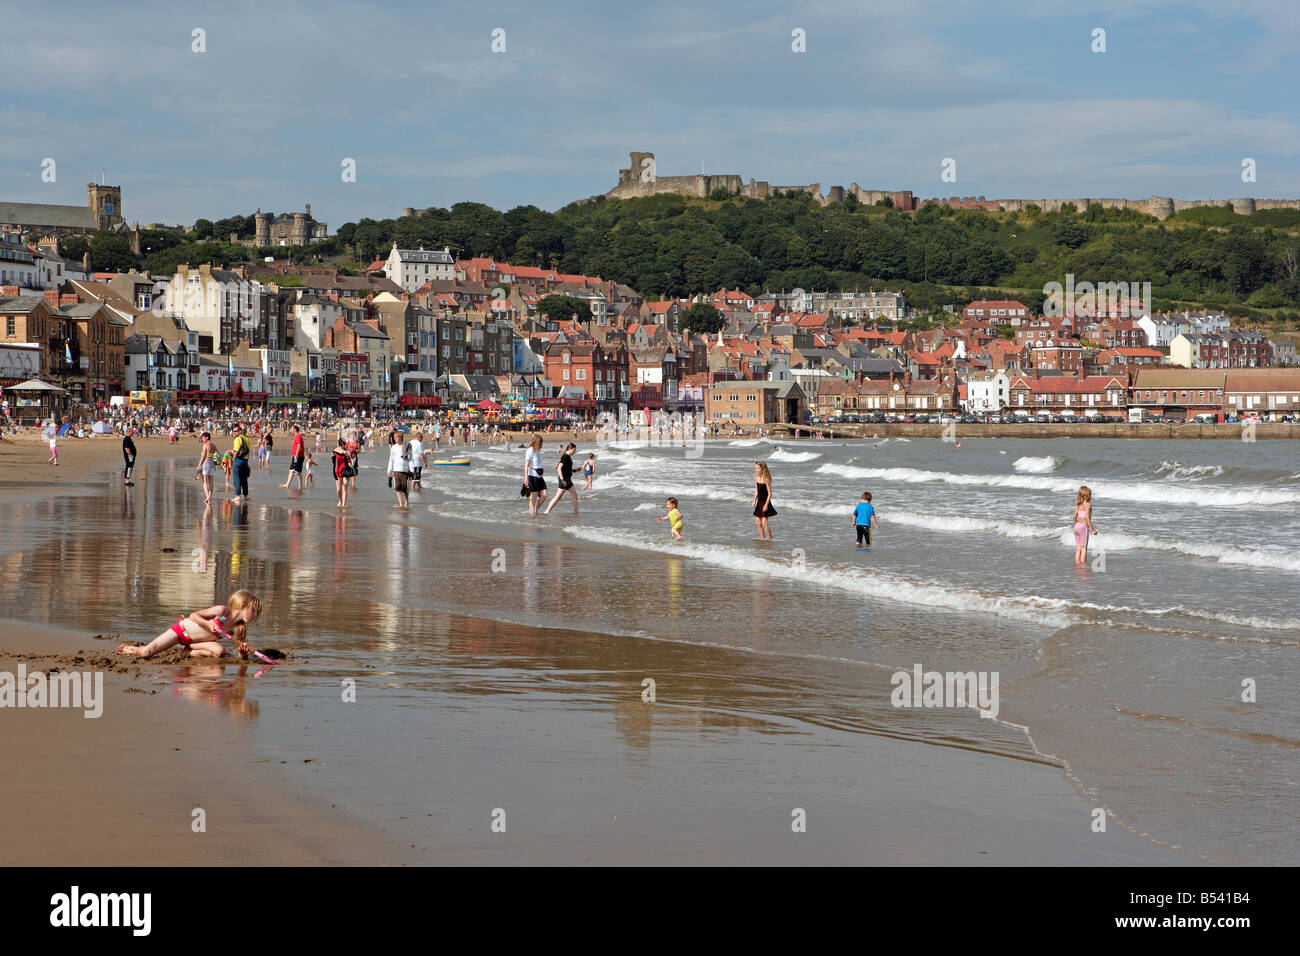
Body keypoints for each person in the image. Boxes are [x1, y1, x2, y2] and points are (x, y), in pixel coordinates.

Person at [117, 590, 263, 660]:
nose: (255, 615)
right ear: (242, 605)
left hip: (195, 642)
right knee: (145, 654)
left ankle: (188, 652)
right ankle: (132, 649)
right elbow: (194, 615)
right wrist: (208, 624)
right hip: (182, 630)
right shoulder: (222, 611)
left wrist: (243, 652)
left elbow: (242, 658)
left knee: (220, 651)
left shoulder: (239, 628)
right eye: (253, 611)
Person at [544, 442, 579, 515]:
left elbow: (567, 469)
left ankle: (547, 511)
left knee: (559, 496)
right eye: (574, 450)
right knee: (573, 495)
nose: (574, 452)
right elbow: (559, 468)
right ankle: (576, 513)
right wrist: (562, 480)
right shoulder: (565, 457)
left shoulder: (566, 456)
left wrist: (575, 470)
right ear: (570, 449)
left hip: (566, 479)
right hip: (565, 480)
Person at [1072, 485, 1099, 563]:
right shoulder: (1088, 505)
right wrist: (1092, 529)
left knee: (1078, 548)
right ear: (1087, 495)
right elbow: (1087, 517)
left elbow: (1074, 516)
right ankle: (1082, 565)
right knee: (1084, 548)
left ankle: (1077, 563)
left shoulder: (1078, 504)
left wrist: (1075, 524)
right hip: (1083, 527)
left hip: (1076, 526)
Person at [387, 431, 413, 508]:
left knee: (405, 488)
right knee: (397, 487)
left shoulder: (407, 446)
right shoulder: (394, 447)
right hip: (396, 470)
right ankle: (401, 504)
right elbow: (391, 459)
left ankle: (407, 502)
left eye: (396, 437)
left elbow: (411, 459)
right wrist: (389, 470)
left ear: (401, 438)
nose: (395, 439)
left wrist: (411, 470)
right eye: (394, 437)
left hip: (405, 470)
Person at [752, 461, 776, 539]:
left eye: (758, 468)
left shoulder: (766, 479)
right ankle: (763, 538)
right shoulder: (756, 478)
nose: (756, 470)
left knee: (764, 523)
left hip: (766, 502)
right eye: (755, 468)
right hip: (759, 502)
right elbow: (756, 491)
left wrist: (766, 505)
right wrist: (754, 500)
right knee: (757, 523)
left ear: (763, 469)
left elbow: (769, 493)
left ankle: (770, 539)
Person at [524, 434, 548, 515]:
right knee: (533, 498)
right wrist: (526, 478)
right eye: (540, 443)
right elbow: (526, 465)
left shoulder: (537, 451)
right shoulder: (530, 450)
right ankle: (532, 514)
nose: (541, 445)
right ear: (536, 442)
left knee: (544, 495)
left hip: (539, 476)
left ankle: (536, 509)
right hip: (532, 476)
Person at [230, 424, 252, 505]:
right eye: (233, 431)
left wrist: (232, 461)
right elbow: (246, 451)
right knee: (244, 479)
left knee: (237, 478)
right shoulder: (246, 439)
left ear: (240, 431)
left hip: (238, 461)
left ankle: (237, 496)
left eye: (235, 431)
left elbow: (236, 452)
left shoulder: (237, 439)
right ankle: (245, 495)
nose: (234, 433)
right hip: (245, 461)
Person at [196, 431, 218, 504]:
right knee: (211, 481)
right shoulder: (213, 445)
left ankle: (207, 497)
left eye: (203, 437)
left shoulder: (205, 445)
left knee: (205, 481)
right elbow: (218, 454)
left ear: (207, 437)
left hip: (205, 463)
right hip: (212, 464)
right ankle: (209, 497)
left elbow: (203, 456)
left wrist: (199, 465)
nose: (202, 439)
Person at [281, 424, 305, 490]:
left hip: (298, 456)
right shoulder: (297, 436)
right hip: (298, 456)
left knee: (293, 470)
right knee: (297, 471)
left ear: (295, 429)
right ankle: (299, 486)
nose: (291, 430)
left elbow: (299, 446)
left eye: (291, 429)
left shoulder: (298, 436)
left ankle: (288, 484)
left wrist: (296, 456)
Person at [332, 437, 352, 507]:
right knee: (338, 489)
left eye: (344, 444)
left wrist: (348, 456)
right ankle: (340, 501)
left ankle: (344, 504)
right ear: (340, 444)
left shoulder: (347, 450)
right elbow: (333, 461)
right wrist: (332, 456)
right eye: (341, 445)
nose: (343, 446)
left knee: (345, 485)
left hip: (346, 469)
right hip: (338, 470)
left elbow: (350, 462)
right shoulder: (336, 450)